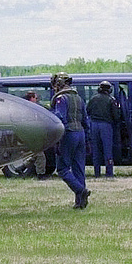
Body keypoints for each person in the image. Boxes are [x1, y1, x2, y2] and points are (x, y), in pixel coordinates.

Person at [51, 72, 90, 209]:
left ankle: (81, 191)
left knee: (62, 168)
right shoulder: (78, 98)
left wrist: (57, 139)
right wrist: (88, 139)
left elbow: (59, 118)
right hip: (81, 134)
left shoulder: (61, 98)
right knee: (79, 168)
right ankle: (80, 202)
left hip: (68, 134)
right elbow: (86, 120)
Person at [86, 80, 120, 177]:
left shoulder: (93, 99)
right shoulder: (111, 99)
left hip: (94, 125)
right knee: (107, 149)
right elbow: (116, 116)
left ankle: (97, 173)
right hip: (105, 125)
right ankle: (109, 173)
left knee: (96, 150)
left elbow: (87, 111)